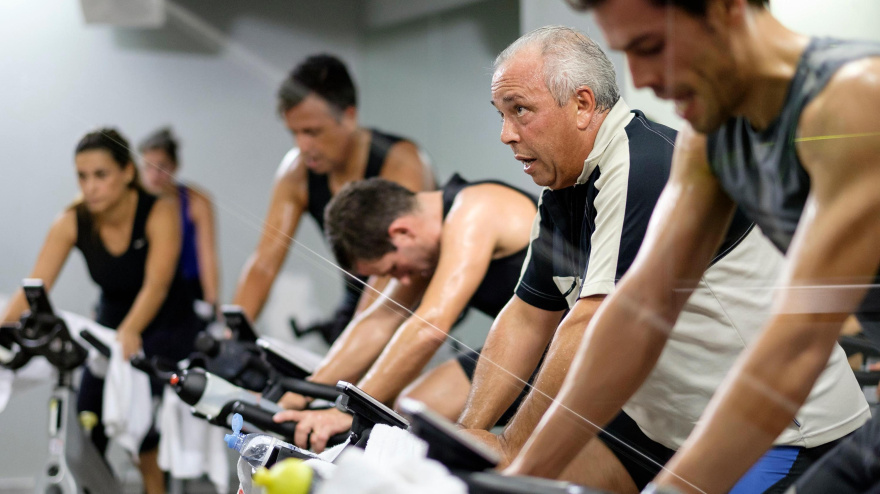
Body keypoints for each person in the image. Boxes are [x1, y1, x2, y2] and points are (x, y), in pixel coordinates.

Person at [457, 26, 868, 494]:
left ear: (583, 105)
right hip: (663, 427)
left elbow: (594, 321)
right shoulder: (564, 186)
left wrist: (513, 446)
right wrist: (473, 433)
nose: (506, 135)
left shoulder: (646, 163)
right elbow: (530, 316)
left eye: (520, 111)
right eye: (501, 114)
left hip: (783, 431)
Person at [272, 175, 537, 452]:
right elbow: (378, 321)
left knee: (421, 408)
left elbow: (431, 326)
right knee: (414, 405)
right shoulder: (428, 236)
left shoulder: (476, 210)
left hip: (573, 339)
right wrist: (298, 395)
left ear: (401, 233)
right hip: (534, 342)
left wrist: (347, 411)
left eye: (395, 269)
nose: (404, 281)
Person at [1, 129, 203, 494]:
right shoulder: (72, 220)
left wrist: (131, 330)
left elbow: (156, 284)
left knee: (146, 438)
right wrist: (2, 330)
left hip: (167, 324)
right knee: (87, 421)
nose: (90, 186)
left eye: (101, 175)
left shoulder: (160, 211)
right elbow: (36, 285)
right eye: (82, 176)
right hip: (110, 324)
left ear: (128, 172)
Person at [232, 54, 435, 344]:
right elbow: (265, 262)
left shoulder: (401, 162)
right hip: (357, 297)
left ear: (349, 116)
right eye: (295, 133)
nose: (302, 146)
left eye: (312, 132)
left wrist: (353, 346)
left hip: (414, 297)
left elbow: (396, 263)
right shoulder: (297, 173)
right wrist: (231, 338)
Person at [139, 127, 219, 318]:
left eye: (161, 167)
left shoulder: (197, 202)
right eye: (148, 167)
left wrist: (213, 306)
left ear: (175, 166)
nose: (154, 176)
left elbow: (207, 257)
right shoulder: (134, 202)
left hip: (187, 290)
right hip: (144, 288)